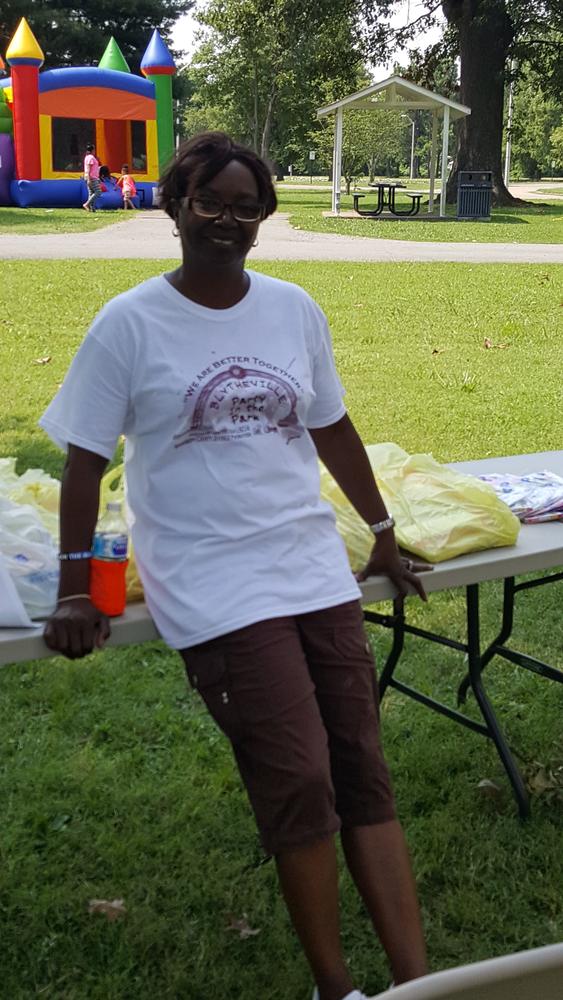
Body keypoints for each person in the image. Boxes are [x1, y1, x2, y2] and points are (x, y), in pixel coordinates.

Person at [40, 131, 429, 1000]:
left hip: (306, 559)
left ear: (262, 220)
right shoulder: (129, 323)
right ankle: (337, 987)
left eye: (244, 206)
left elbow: (329, 423)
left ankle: (416, 985)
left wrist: (379, 525)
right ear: (174, 206)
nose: (225, 218)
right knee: (298, 777)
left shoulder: (292, 309)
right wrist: (74, 587)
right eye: (208, 201)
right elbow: (82, 459)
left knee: (362, 767)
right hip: (211, 579)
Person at [83, 143, 101, 212]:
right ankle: (87, 204)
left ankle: (92, 208)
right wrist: (89, 179)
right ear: (93, 150)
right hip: (92, 178)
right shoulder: (91, 157)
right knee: (98, 192)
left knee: (91, 192)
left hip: (91, 177)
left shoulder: (87, 157)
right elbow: (88, 169)